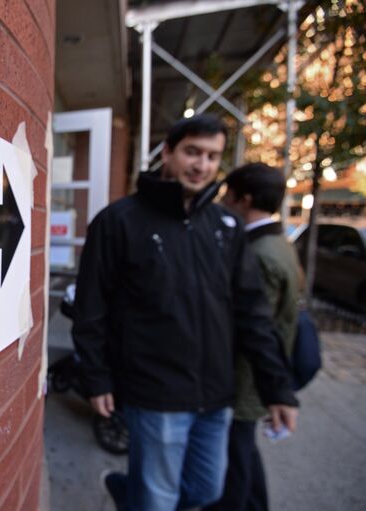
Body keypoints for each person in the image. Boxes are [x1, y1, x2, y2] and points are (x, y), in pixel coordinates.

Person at [71, 114, 299, 511]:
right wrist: (96, 376)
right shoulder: (119, 221)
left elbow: (253, 314)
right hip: (154, 393)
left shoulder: (226, 225)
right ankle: (138, 496)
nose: (202, 165)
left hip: (215, 394)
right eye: (192, 152)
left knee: (207, 490)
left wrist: (277, 388)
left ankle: (127, 492)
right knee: (159, 501)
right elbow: (91, 308)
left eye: (212, 156)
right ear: (168, 153)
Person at [204, 163, 302, 511]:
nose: (224, 202)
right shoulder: (277, 242)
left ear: (243, 199)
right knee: (244, 455)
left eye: (228, 195)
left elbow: (253, 323)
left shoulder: (259, 253)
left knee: (232, 466)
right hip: (255, 375)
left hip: (245, 377)